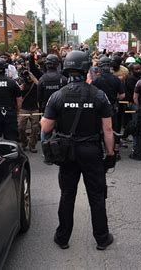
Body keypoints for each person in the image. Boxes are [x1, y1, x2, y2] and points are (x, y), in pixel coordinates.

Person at [40, 50, 116, 251]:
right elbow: (108, 129)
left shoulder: (57, 96)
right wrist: (110, 154)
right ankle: (102, 238)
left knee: (67, 195)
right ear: (86, 69)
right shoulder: (99, 95)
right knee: (97, 197)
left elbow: (45, 128)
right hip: (91, 151)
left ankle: (62, 238)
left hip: (67, 153)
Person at [92, 56, 125, 160]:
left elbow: (92, 94)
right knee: (112, 130)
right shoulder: (116, 79)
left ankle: (100, 151)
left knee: (98, 130)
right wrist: (114, 98)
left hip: (98, 109)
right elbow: (122, 95)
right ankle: (114, 151)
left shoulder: (96, 80)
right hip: (112, 108)